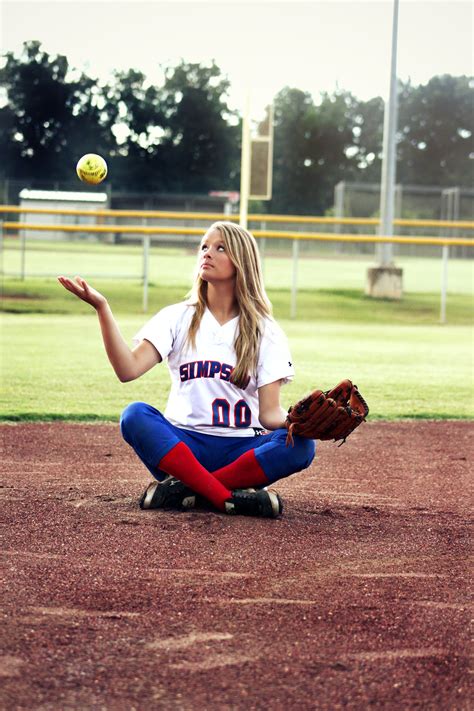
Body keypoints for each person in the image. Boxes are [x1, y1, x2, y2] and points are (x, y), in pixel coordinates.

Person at [58, 221, 315, 518]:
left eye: (220, 248)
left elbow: (270, 415)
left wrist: (299, 422)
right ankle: (226, 497)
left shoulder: (265, 330)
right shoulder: (177, 318)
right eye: (204, 246)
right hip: (185, 445)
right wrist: (102, 308)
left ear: (242, 262)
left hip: (242, 449)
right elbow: (127, 370)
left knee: (301, 447)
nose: (207, 253)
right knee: (135, 415)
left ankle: (185, 489)